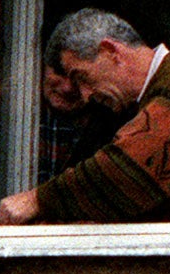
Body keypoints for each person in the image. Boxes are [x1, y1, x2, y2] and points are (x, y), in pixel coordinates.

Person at [0, 8, 170, 226]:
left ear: (111, 51)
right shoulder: (133, 107)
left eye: (82, 78)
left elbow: (127, 175)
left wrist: (36, 200)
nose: (84, 95)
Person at [34, 52, 120, 180]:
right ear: (42, 66)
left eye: (80, 78)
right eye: (59, 72)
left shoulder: (113, 128)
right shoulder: (12, 113)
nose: (67, 88)